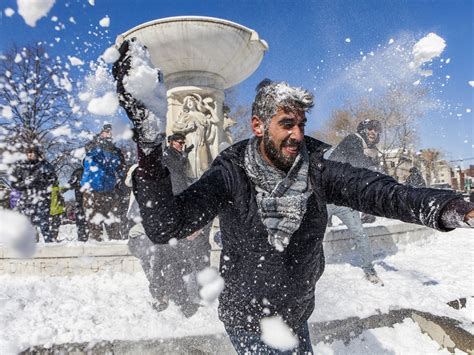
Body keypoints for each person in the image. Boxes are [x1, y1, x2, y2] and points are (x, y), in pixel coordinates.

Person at [114, 42, 474, 354]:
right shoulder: (230, 172)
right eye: (287, 124)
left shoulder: (317, 166)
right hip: (249, 316)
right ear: (258, 126)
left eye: (301, 124)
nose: (297, 135)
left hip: (297, 310)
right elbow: (166, 226)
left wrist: (450, 207)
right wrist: (148, 153)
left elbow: (380, 192)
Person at [126, 134, 208, 317]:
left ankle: (182, 301)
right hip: (140, 238)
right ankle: (159, 295)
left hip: (161, 238)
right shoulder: (146, 196)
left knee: (171, 258)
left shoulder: (171, 198)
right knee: (156, 254)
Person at [326, 119, 384, 284]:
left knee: (360, 233)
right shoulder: (353, 139)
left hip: (345, 202)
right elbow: (356, 162)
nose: (374, 132)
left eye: (377, 130)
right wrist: (372, 163)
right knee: (313, 233)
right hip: (327, 199)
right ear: (363, 130)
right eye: (371, 129)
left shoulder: (363, 147)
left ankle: (369, 270)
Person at [80, 124, 125, 241]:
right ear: (100, 133)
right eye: (106, 131)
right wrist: (97, 146)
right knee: (95, 227)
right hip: (92, 191)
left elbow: (119, 167)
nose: (109, 133)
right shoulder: (92, 147)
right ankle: (95, 249)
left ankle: (116, 249)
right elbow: (86, 160)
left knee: (113, 225)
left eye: (111, 131)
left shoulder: (116, 151)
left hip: (110, 190)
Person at [11, 145, 57, 243]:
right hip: (27, 200)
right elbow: (14, 184)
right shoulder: (20, 167)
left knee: (44, 224)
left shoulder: (44, 165)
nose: (30, 155)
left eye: (33, 153)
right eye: (29, 153)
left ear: (37, 154)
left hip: (42, 198)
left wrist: (41, 182)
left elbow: (53, 179)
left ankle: (49, 246)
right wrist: (25, 183)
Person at [68, 167, 88, 242]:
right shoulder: (93, 170)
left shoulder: (78, 171)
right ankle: (86, 236)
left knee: (81, 219)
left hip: (80, 200)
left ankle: (82, 237)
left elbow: (70, 184)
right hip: (90, 200)